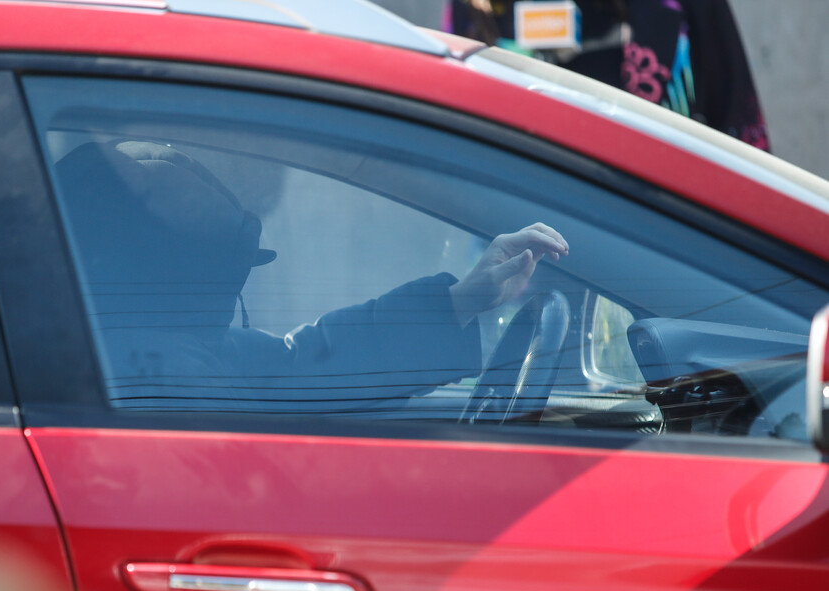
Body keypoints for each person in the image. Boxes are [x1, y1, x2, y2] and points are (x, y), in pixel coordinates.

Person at [55, 140, 568, 413]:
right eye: (225, 270)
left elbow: (304, 361)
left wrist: (458, 301)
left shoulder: (153, 352)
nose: (234, 294)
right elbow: (304, 372)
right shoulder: (173, 377)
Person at [446, 0, 770, 150]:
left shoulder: (681, 8)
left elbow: (744, 138)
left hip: (671, 247)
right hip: (528, 253)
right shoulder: (475, 10)